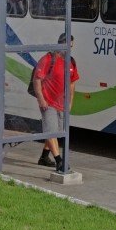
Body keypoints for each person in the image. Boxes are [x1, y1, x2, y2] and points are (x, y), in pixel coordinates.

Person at [33, 33, 79, 172]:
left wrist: (70, 102)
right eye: (67, 46)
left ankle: (44, 157)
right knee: (51, 131)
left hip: (62, 104)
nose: (69, 49)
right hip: (48, 103)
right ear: (60, 44)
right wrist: (41, 99)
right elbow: (37, 80)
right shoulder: (48, 59)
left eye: (71, 46)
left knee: (56, 132)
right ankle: (60, 161)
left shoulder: (71, 62)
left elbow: (72, 83)